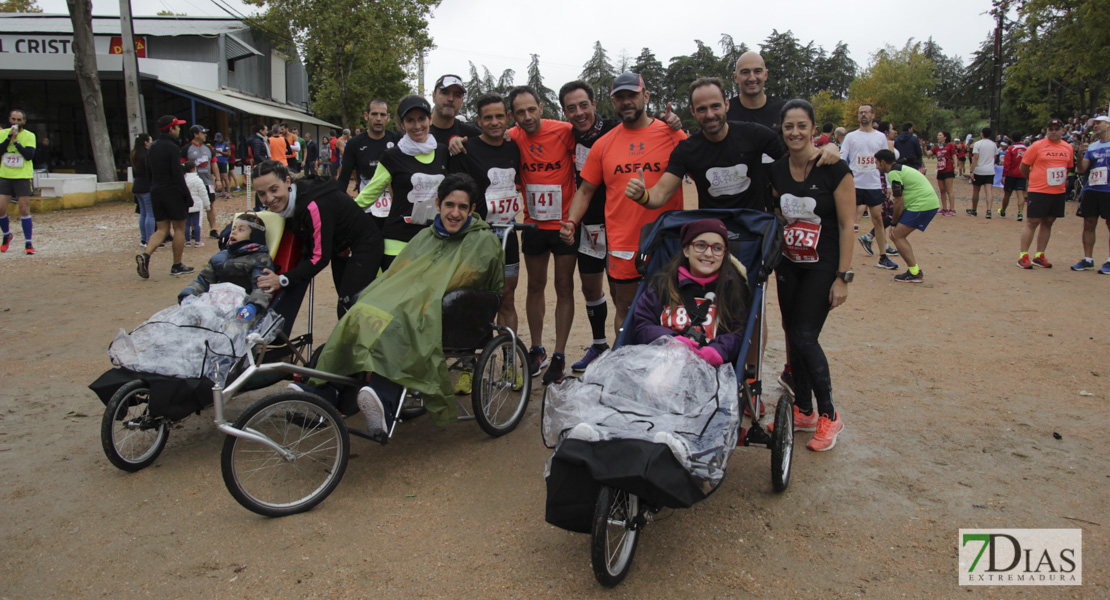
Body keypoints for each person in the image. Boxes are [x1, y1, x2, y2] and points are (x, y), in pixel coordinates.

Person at [306, 173, 504, 436]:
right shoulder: (426, 236)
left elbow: (467, 277)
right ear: (438, 204)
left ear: (472, 209)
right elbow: (398, 274)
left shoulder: (483, 240)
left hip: (449, 312)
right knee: (360, 313)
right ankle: (326, 390)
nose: (455, 213)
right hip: (412, 302)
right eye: (449, 205)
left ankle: (383, 399)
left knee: (395, 323)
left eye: (462, 207)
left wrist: (419, 297)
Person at [769, 99, 853, 450]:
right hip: (789, 265)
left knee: (805, 335)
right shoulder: (775, 171)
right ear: (782, 130)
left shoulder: (834, 168)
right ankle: (804, 409)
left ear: (814, 129)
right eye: (789, 126)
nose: (795, 132)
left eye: (802, 125)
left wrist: (842, 277)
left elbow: (849, 224)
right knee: (793, 333)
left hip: (823, 264)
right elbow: (776, 212)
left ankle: (829, 416)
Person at [447, 93, 523, 394]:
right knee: (471, 301)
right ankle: (468, 365)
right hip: (475, 239)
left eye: (499, 116)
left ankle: (508, 363)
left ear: (507, 119)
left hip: (508, 236)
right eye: (487, 117)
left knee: (507, 299)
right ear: (478, 121)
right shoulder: (465, 148)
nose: (494, 122)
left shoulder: (514, 148)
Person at [253, 160, 384, 317]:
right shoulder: (291, 201)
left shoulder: (313, 205)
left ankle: (375, 339)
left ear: (287, 181)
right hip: (341, 247)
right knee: (348, 304)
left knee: (348, 308)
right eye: (262, 194)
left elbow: (320, 258)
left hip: (365, 244)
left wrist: (282, 279)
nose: (269, 199)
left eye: (274, 189)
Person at [629, 218, 750, 366]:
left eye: (717, 248)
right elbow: (642, 325)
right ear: (686, 250)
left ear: (724, 254)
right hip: (661, 362)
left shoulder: (733, 289)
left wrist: (717, 351)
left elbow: (738, 332)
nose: (708, 253)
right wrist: (671, 341)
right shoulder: (663, 285)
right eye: (700, 245)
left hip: (711, 366)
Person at [354, 95, 448, 271]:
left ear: (429, 119)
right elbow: (370, 193)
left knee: (426, 297)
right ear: (402, 124)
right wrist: (341, 215)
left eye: (422, 119)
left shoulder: (443, 152)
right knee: (397, 297)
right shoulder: (393, 156)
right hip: (397, 242)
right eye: (410, 120)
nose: (417, 126)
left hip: (432, 239)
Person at [178, 212, 276, 323]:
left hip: (240, 309)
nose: (233, 231)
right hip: (214, 307)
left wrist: (253, 306)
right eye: (233, 228)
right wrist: (188, 295)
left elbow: (262, 287)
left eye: (241, 230)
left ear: (255, 236)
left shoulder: (259, 259)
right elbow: (203, 280)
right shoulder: (220, 256)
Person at [841, 103, 897, 269]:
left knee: (878, 220)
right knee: (847, 222)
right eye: (860, 113)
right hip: (854, 185)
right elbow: (843, 157)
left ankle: (883, 257)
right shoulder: (851, 137)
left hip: (873, 184)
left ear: (873, 115)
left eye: (866, 112)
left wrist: (887, 184)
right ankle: (843, 260)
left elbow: (886, 161)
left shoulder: (880, 137)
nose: (863, 115)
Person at [137, 115, 194, 278]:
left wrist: (153, 187)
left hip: (156, 190)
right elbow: (177, 173)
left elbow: (148, 171)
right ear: (171, 129)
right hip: (173, 190)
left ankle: (146, 254)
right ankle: (177, 265)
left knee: (162, 229)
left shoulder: (152, 147)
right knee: (179, 229)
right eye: (177, 127)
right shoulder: (172, 147)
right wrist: (186, 194)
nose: (179, 129)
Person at [875, 149, 940, 283]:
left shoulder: (893, 173)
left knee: (897, 235)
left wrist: (893, 223)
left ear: (883, 162)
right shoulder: (900, 169)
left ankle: (914, 272)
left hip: (923, 205)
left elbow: (899, 201)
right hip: (924, 203)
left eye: (876, 163)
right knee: (897, 235)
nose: (876, 167)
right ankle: (914, 271)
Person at [1017, 119, 1074, 269]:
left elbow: (1068, 167)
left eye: (1057, 129)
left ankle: (1039, 255)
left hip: (1057, 191)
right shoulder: (1037, 146)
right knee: (1032, 222)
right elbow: (1024, 166)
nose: (1054, 131)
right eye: (1051, 129)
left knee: (1048, 221)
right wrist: (1032, 179)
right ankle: (1023, 256)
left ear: (1063, 131)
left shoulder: (1068, 148)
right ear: (1047, 130)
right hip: (1039, 190)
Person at [338, 98, 400, 197]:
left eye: (382, 114)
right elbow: (343, 178)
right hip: (366, 206)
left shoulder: (397, 140)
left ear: (388, 118)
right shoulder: (354, 143)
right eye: (374, 114)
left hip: (393, 206)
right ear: (366, 116)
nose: (378, 118)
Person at [1071, 115, 1110, 273]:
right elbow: (1081, 169)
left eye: (1098, 123)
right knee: (1088, 224)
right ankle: (1088, 259)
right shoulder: (1092, 147)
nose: (1095, 126)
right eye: (1093, 124)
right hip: (1092, 189)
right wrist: (1079, 154)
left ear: (1108, 124)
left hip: (1108, 190)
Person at [0, 108, 37, 254]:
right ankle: (7, 235)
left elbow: (29, 155)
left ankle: (28, 243)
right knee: (1, 208)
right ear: (9, 120)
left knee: (23, 208)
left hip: (22, 176)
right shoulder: (3, 134)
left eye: (19, 120)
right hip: (5, 175)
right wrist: (8, 138)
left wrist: (16, 143)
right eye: (13, 119)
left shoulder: (29, 136)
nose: (16, 122)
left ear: (24, 122)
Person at [726, 52, 785, 129]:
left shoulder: (784, 110)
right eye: (745, 72)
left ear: (766, 75)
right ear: (736, 77)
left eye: (757, 71)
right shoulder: (726, 113)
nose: (752, 78)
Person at [182, 125, 219, 238]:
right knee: (193, 205)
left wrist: (218, 179)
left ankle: (213, 228)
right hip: (192, 182)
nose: (205, 135)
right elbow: (181, 165)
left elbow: (214, 164)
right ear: (196, 134)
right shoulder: (186, 149)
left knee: (211, 205)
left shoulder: (208, 149)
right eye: (203, 133)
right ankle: (194, 229)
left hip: (208, 182)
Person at [430, 74, 481, 144]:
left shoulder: (471, 134)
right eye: (445, 93)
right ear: (434, 97)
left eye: (457, 95)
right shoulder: (417, 131)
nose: (451, 99)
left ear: (462, 101)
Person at [130, 133, 154, 247]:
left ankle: (144, 239)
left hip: (137, 185)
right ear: (146, 142)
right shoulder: (147, 155)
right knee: (150, 214)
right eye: (150, 140)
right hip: (146, 186)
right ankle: (150, 239)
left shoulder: (134, 154)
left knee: (143, 213)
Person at [969, 127, 998, 217]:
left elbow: (975, 158)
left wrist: (971, 170)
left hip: (979, 170)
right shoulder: (993, 144)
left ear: (982, 134)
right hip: (990, 170)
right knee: (988, 191)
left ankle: (974, 209)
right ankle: (988, 211)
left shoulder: (978, 144)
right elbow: (994, 157)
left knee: (976, 191)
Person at [1001, 131, 1028, 219]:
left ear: (1012, 139)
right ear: (1021, 139)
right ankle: (1020, 212)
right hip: (1022, 174)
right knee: (1020, 194)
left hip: (1011, 174)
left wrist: (1004, 175)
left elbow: (1007, 163)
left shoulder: (1010, 149)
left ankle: (1003, 210)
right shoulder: (1026, 149)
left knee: (1007, 194)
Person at [182, 160, 209, 248]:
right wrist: (207, 205)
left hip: (186, 204)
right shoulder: (198, 180)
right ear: (193, 169)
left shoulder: (183, 179)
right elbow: (203, 193)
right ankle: (197, 241)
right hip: (196, 204)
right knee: (196, 223)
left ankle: (187, 241)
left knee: (187, 224)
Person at [929, 131, 957, 216]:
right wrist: (923, 147)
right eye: (938, 135)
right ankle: (944, 208)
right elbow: (927, 153)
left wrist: (955, 166)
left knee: (949, 189)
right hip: (940, 169)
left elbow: (954, 155)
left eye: (940, 135)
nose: (938, 136)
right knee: (942, 189)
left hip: (948, 168)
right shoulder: (937, 147)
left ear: (945, 137)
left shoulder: (950, 145)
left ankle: (952, 209)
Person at [213, 132, 232, 198]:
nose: (217, 141)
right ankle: (223, 192)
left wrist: (220, 152)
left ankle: (228, 192)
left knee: (225, 177)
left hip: (224, 162)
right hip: (218, 162)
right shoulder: (216, 145)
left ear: (221, 138)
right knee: (220, 178)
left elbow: (229, 153)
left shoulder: (226, 144)